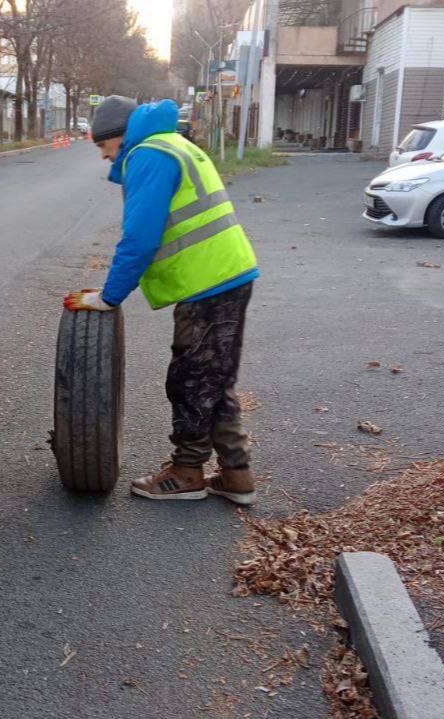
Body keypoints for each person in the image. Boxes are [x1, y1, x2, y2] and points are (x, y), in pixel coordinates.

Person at [63, 96, 260, 504]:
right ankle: (236, 474)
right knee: (214, 379)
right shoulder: (173, 142)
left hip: (209, 280)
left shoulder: (147, 154)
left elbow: (139, 237)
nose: (104, 156)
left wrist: (109, 296)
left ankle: (188, 472)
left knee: (190, 381)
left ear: (120, 136)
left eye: (103, 146)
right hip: (225, 275)